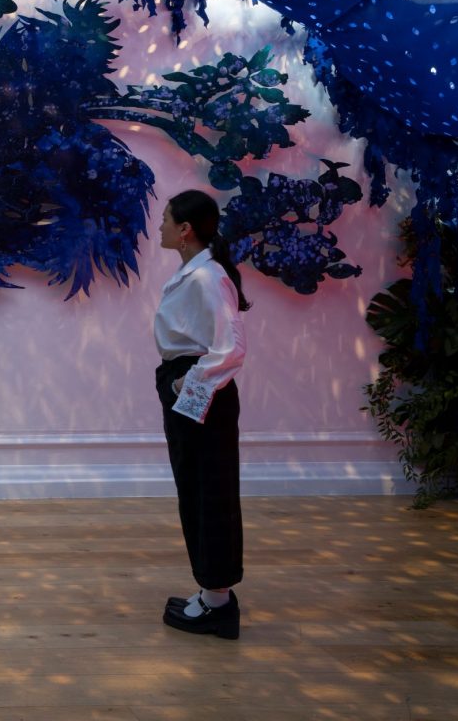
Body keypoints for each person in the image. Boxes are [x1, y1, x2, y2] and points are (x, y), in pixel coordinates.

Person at [154, 189, 249, 640]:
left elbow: (230, 348)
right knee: (196, 487)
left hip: (201, 393)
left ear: (185, 230)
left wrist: (185, 385)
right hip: (192, 389)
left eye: (166, 219)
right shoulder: (196, 272)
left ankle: (217, 603)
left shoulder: (205, 278)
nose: (161, 227)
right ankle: (213, 594)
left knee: (209, 491)